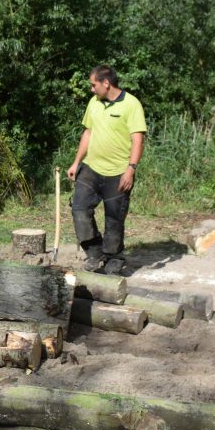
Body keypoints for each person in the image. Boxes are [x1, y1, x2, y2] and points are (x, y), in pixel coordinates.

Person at [66, 65, 147, 275]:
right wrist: (76, 162)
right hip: (91, 168)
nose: (91, 90)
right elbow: (87, 133)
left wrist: (130, 169)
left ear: (106, 83)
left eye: (94, 85)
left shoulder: (131, 104)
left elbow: (137, 139)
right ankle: (95, 252)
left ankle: (114, 257)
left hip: (118, 172)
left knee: (114, 219)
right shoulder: (94, 103)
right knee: (79, 209)